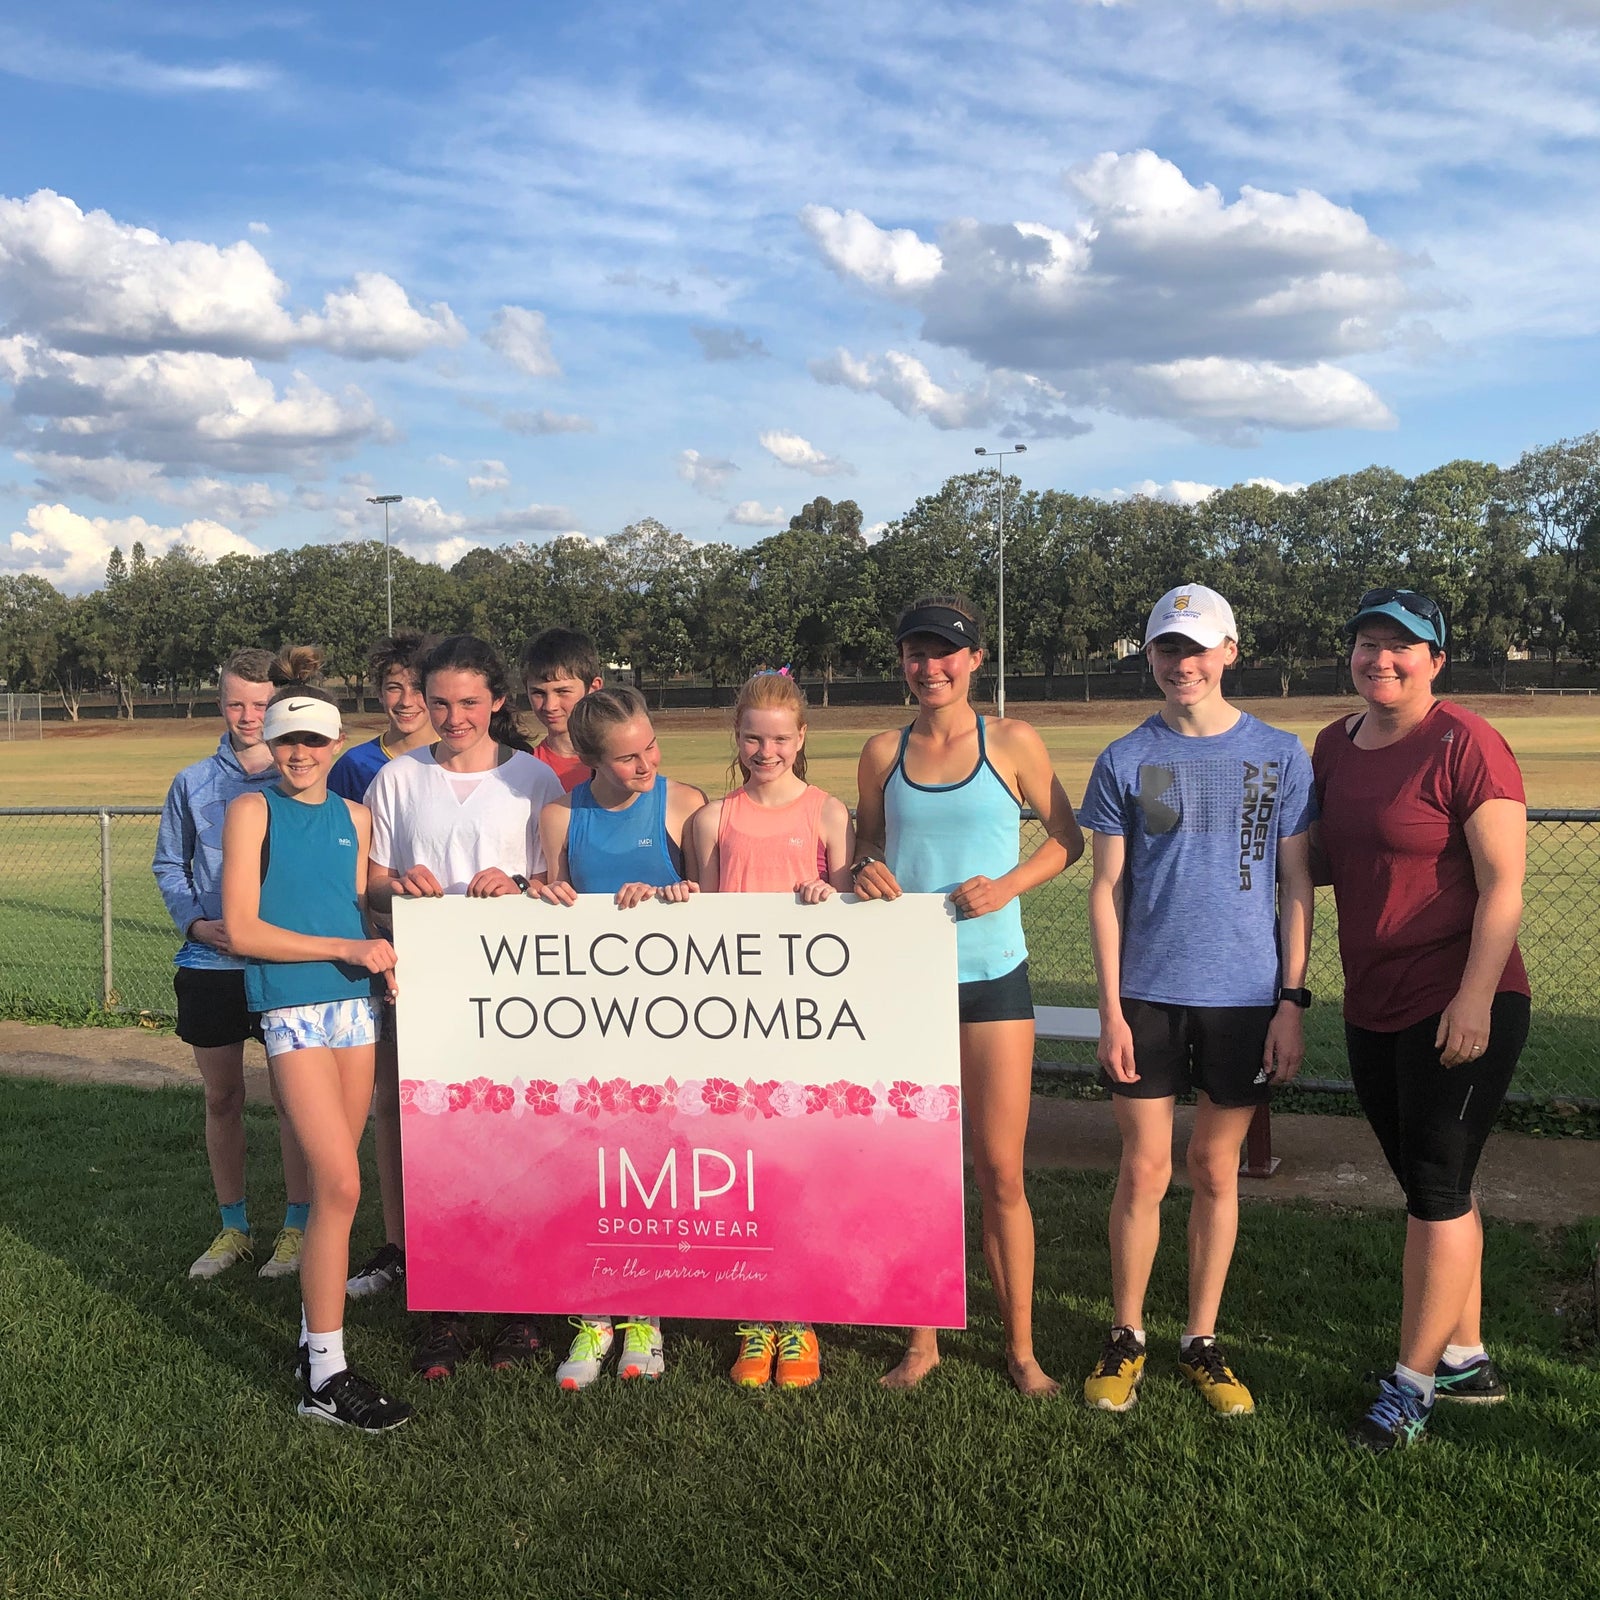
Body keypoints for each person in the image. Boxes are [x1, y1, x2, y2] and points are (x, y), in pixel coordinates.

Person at [1076, 585, 1315, 1417]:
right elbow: (1105, 890)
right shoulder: (1125, 759)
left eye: (1198, 647)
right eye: (1167, 649)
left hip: (1246, 998)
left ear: (1230, 652)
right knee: (1142, 1169)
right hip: (1146, 994)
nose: (1183, 663)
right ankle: (1127, 1334)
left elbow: (1295, 887)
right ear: (1150, 657)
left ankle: (1201, 1341)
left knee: (1216, 1168)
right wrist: (1109, 1009)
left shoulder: (1281, 754)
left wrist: (1291, 999)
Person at [1312, 588, 1529, 1454]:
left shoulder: (1465, 741)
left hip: (1463, 998)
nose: (1383, 659)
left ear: (1436, 659)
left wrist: (1474, 997)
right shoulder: (1335, 743)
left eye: (1403, 646)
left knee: (1435, 1190)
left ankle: (1412, 1387)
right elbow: (1323, 859)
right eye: (1369, 643)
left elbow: (1505, 881)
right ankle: (1469, 1358)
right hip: (1373, 999)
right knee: (1435, 1188)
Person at [852, 595, 1083, 1396]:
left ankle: (1021, 1350)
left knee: (1000, 1172)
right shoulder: (882, 750)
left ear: (975, 659)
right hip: (906, 984)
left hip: (994, 975)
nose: (930, 667)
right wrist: (863, 869)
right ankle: (922, 1341)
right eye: (916, 653)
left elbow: (1067, 838)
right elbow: (869, 842)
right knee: (920, 1168)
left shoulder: (1012, 741)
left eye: (945, 652)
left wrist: (1010, 885)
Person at [363, 634, 564, 1380]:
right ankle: (442, 1307)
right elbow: (372, 885)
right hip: (427, 992)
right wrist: (398, 886)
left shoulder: (533, 781)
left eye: (470, 703)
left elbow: (555, 883)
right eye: (439, 701)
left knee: (514, 1144)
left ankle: (521, 1305)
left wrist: (514, 880)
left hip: (514, 997)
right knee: (438, 1148)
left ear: (499, 702)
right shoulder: (396, 779)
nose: (453, 717)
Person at [220, 647, 410, 1431]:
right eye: (287, 741)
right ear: (270, 742)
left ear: (335, 746)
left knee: (343, 1182)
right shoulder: (251, 811)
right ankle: (325, 1378)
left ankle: (313, 1343)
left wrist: (397, 904)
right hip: (295, 1008)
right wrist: (346, 948)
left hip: (354, 1007)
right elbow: (242, 928)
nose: (300, 755)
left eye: (315, 742)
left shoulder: (356, 817)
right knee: (339, 1185)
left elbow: (358, 898)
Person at [684, 670, 854, 1391]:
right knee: (745, 1172)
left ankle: (802, 1316)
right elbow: (698, 919)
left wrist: (832, 896)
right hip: (734, 1026)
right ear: (737, 736)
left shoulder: (828, 813)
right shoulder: (709, 820)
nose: (766, 749)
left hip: (807, 1025)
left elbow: (854, 918)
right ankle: (757, 1317)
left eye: (780, 737)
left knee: (802, 1171)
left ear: (802, 738)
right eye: (753, 736)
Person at [535, 685, 707, 1389]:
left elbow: (718, 909)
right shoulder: (557, 814)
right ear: (589, 760)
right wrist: (539, 894)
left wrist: (675, 900)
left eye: (650, 748)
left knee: (654, 1169)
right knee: (586, 1170)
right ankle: (591, 1315)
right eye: (628, 758)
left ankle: (649, 1317)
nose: (645, 765)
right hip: (588, 1025)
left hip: (671, 1025)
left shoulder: (683, 803)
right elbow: (553, 902)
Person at [152, 647, 311, 1282]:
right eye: (237, 702)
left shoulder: (300, 773)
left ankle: (297, 1226)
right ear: (221, 702)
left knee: (294, 1101)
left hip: (284, 966)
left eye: (261, 704)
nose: (249, 716)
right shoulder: (193, 782)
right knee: (223, 1096)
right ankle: (235, 1226)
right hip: (210, 965)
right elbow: (169, 863)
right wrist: (196, 921)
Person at [329, 631, 437, 1303]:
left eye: (417, 686)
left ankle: (452, 1235)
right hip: (386, 951)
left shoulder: (467, 759)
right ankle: (399, 1245)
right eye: (392, 686)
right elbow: (348, 870)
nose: (405, 700)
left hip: (461, 955)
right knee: (392, 1108)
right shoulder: (356, 766)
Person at [520, 626, 604, 793]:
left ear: (593, 688)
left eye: (562, 691)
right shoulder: (524, 770)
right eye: (538, 693)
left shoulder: (619, 763)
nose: (550, 706)